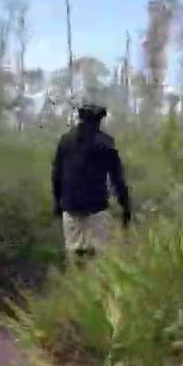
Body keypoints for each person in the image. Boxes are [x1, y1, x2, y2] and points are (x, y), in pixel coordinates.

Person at [51, 103, 132, 266]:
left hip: (71, 207)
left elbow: (56, 175)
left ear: (80, 118)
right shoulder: (106, 143)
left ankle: (76, 287)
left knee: (74, 256)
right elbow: (117, 179)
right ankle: (93, 289)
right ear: (99, 120)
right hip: (97, 209)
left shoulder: (66, 141)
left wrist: (57, 204)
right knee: (97, 257)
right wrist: (126, 208)